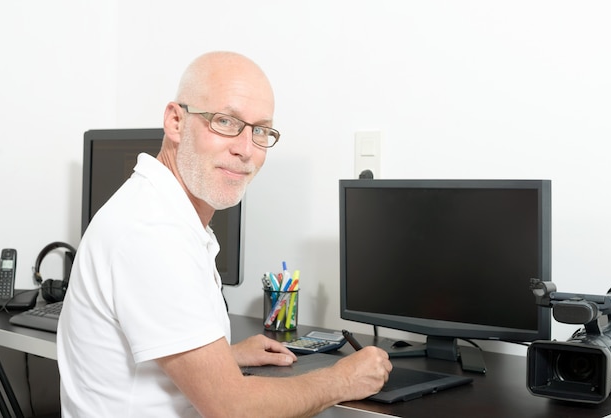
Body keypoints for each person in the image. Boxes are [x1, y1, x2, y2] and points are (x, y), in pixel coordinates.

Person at [57, 51, 392, 417]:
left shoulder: (163, 212)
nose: (245, 149)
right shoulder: (152, 232)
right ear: (175, 122)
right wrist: (343, 378)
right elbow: (233, 409)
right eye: (225, 121)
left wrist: (222, 356)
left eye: (260, 130)